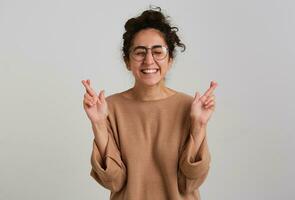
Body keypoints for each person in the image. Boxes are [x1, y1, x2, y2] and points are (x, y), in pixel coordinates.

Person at [81, 7, 218, 200]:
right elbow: (114, 182)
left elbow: (189, 184)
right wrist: (98, 124)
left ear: (170, 60)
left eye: (158, 51)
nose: (149, 60)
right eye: (139, 52)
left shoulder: (190, 107)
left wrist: (199, 125)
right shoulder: (108, 107)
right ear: (127, 61)